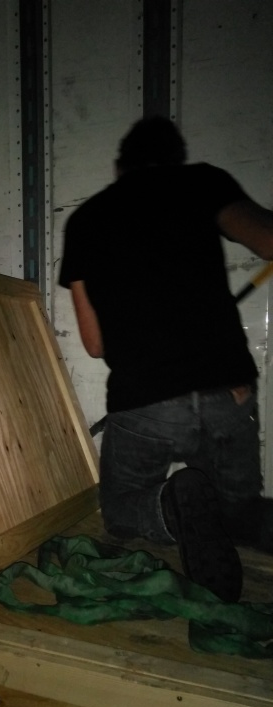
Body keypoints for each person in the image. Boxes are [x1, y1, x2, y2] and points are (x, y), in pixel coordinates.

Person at [58, 116, 273, 603]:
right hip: (227, 390)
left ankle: (173, 507)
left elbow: (94, 344)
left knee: (122, 513)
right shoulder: (204, 182)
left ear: (120, 167)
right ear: (177, 158)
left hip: (147, 398)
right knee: (238, 514)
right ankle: (243, 516)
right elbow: (267, 239)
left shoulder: (86, 220)